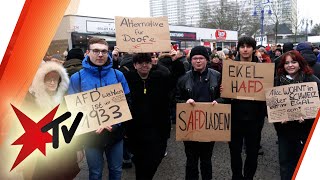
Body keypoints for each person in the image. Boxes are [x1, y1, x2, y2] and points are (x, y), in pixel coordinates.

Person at [68, 37, 130, 180]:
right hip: (91, 135)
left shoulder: (117, 74)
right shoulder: (76, 78)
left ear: (108, 53)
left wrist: (115, 124)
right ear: (88, 53)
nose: (100, 55)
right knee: (95, 173)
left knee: (116, 171)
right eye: (96, 51)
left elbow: (127, 102)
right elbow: (73, 110)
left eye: (104, 51)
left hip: (114, 133)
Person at [21, 61, 81, 180]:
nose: (52, 82)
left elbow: (72, 124)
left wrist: (78, 147)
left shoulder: (65, 99)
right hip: (41, 155)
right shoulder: (30, 99)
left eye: (55, 79)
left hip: (64, 153)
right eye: (48, 79)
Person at [176, 46, 224, 180]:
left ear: (207, 60)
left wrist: (218, 101)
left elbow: (224, 96)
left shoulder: (217, 76)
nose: (198, 61)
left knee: (206, 160)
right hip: (190, 125)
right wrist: (185, 102)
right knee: (191, 160)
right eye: (195, 58)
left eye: (201, 58)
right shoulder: (183, 78)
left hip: (209, 125)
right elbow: (175, 99)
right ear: (191, 60)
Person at [124, 53, 172, 180]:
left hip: (157, 127)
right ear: (134, 65)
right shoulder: (127, 78)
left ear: (152, 64)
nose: (144, 65)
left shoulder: (160, 77)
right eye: (140, 63)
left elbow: (168, 99)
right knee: (140, 160)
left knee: (156, 156)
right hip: (135, 128)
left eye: (147, 62)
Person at [274, 50, 320, 180]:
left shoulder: (313, 81)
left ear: (300, 63)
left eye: (293, 62)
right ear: (283, 66)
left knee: (303, 163)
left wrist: (308, 117)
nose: (290, 65)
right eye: (287, 63)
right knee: (285, 164)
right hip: (284, 131)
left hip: (305, 131)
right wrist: (277, 117)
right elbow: (269, 105)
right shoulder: (276, 82)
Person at [227, 36, 266, 180]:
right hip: (234, 118)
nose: (245, 49)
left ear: (253, 49)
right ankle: (236, 176)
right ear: (238, 49)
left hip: (255, 118)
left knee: (252, 152)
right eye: (242, 46)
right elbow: (223, 95)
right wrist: (223, 90)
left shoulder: (262, 69)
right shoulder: (230, 68)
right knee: (234, 152)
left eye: (248, 46)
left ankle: (249, 177)